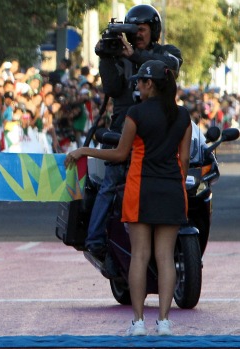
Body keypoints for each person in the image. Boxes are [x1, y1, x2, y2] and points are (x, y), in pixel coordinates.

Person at [65, 60, 192, 336]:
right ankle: (165, 322)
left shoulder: (136, 113)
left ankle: (137, 322)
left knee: (140, 255)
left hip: (140, 188)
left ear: (150, 84)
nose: (136, 86)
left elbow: (120, 154)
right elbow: (184, 162)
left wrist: (86, 151)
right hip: (171, 190)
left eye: (140, 82)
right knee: (165, 257)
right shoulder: (183, 116)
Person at [85, 4, 183, 256]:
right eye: (133, 30)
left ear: (154, 30)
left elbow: (171, 65)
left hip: (159, 130)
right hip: (123, 127)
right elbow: (113, 88)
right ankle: (94, 240)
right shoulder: (118, 55)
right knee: (110, 183)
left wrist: (134, 57)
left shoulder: (166, 52)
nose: (137, 35)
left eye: (142, 29)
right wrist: (106, 57)